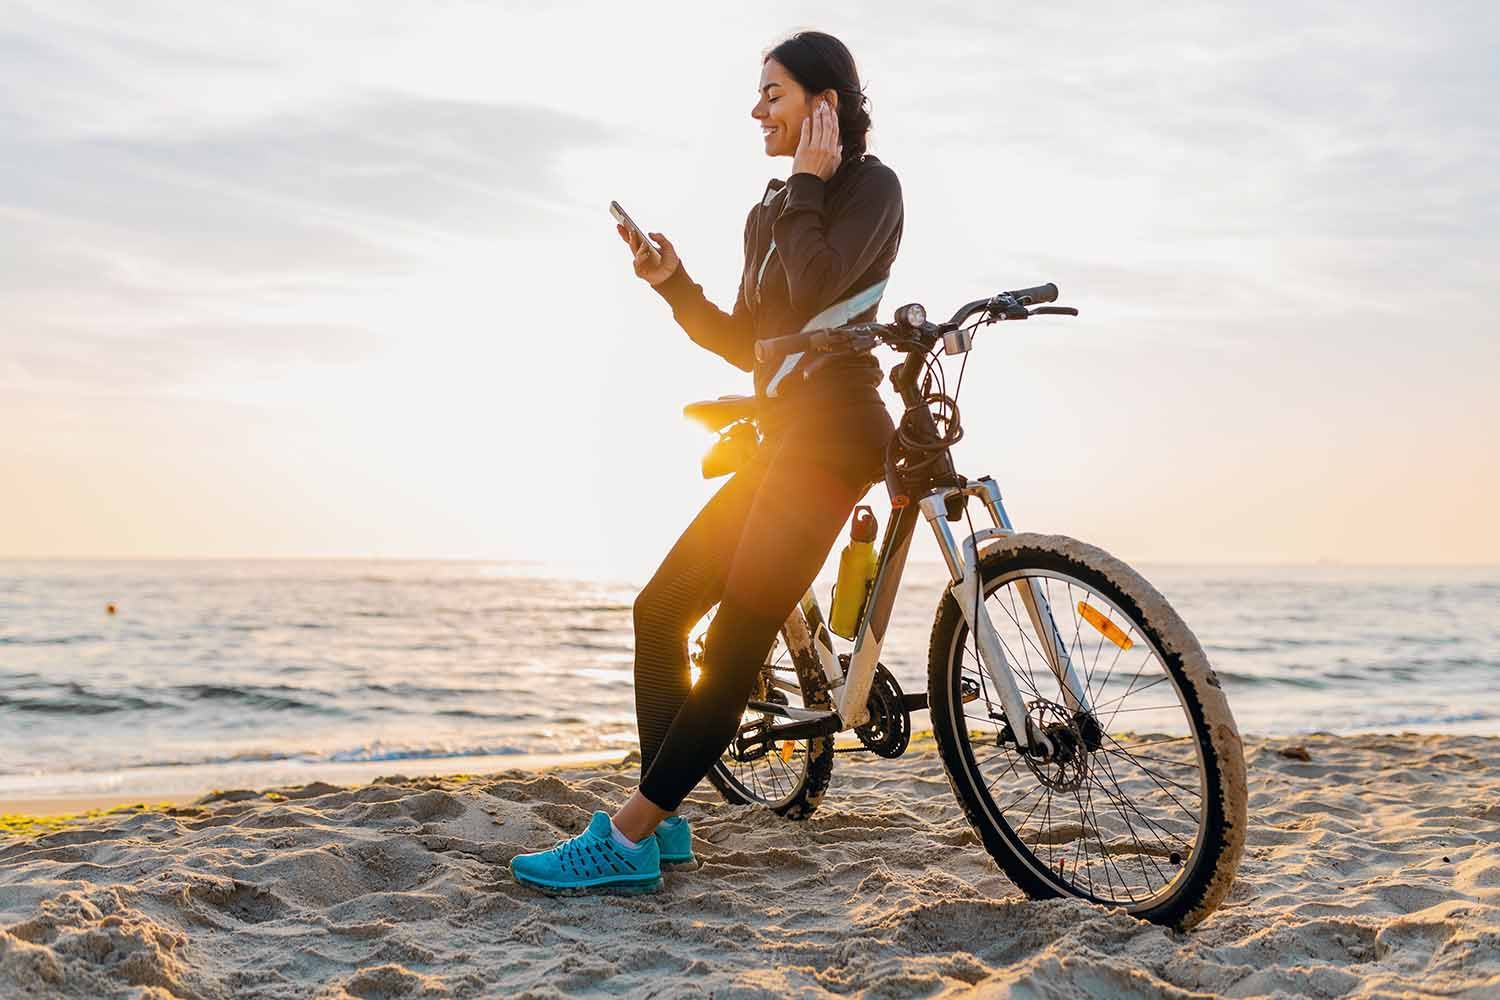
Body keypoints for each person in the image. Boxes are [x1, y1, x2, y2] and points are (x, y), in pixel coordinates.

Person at [511, 30, 903, 894]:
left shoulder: (870, 189)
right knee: (662, 609)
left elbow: (817, 290)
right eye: (758, 95)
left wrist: (806, 181)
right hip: (781, 442)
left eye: (774, 93)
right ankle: (666, 823)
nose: (757, 110)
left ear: (822, 105)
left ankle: (626, 835)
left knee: (732, 643)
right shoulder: (769, 209)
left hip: (836, 438)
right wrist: (672, 283)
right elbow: (751, 340)